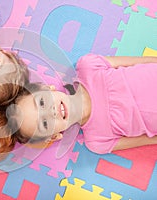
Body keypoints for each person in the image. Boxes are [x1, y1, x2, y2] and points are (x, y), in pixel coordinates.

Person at [9, 53, 157, 154]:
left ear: (47, 88)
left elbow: (138, 62)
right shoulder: (97, 142)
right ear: (54, 136)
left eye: (41, 103)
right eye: (45, 123)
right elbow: (148, 140)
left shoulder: (88, 67)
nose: (51, 111)